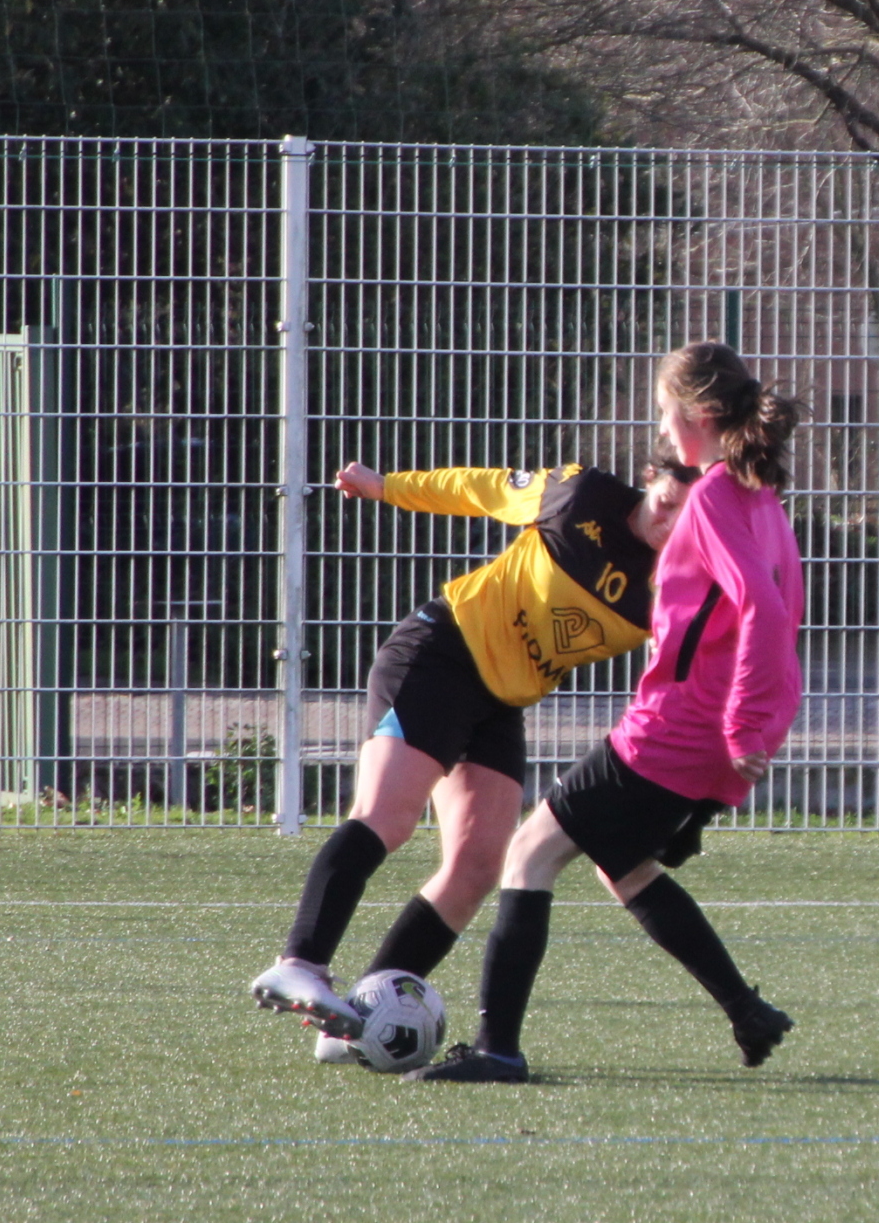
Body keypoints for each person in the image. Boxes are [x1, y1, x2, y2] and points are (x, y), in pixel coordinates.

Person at [406, 342, 804, 1083]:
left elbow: (763, 611)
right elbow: (787, 612)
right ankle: (747, 1012)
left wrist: (747, 726)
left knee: (530, 854)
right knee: (624, 866)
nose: (661, 426)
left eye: (664, 409)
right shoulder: (761, 498)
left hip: (676, 730)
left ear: (699, 415)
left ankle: (498, 1049)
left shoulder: (717, 494)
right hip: (708, 739)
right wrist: (749, 742)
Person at [248, 453, 696, 1057]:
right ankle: (300, 961)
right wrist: (386, 484)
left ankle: (359, 1019)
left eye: (688, 518)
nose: (670, 524)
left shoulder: (679, 582)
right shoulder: (581, 495)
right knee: (387, 815)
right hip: (441, 653)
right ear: (651, 480)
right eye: (668, 503)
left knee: (478, 866)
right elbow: (480, 489)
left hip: (499, 700)